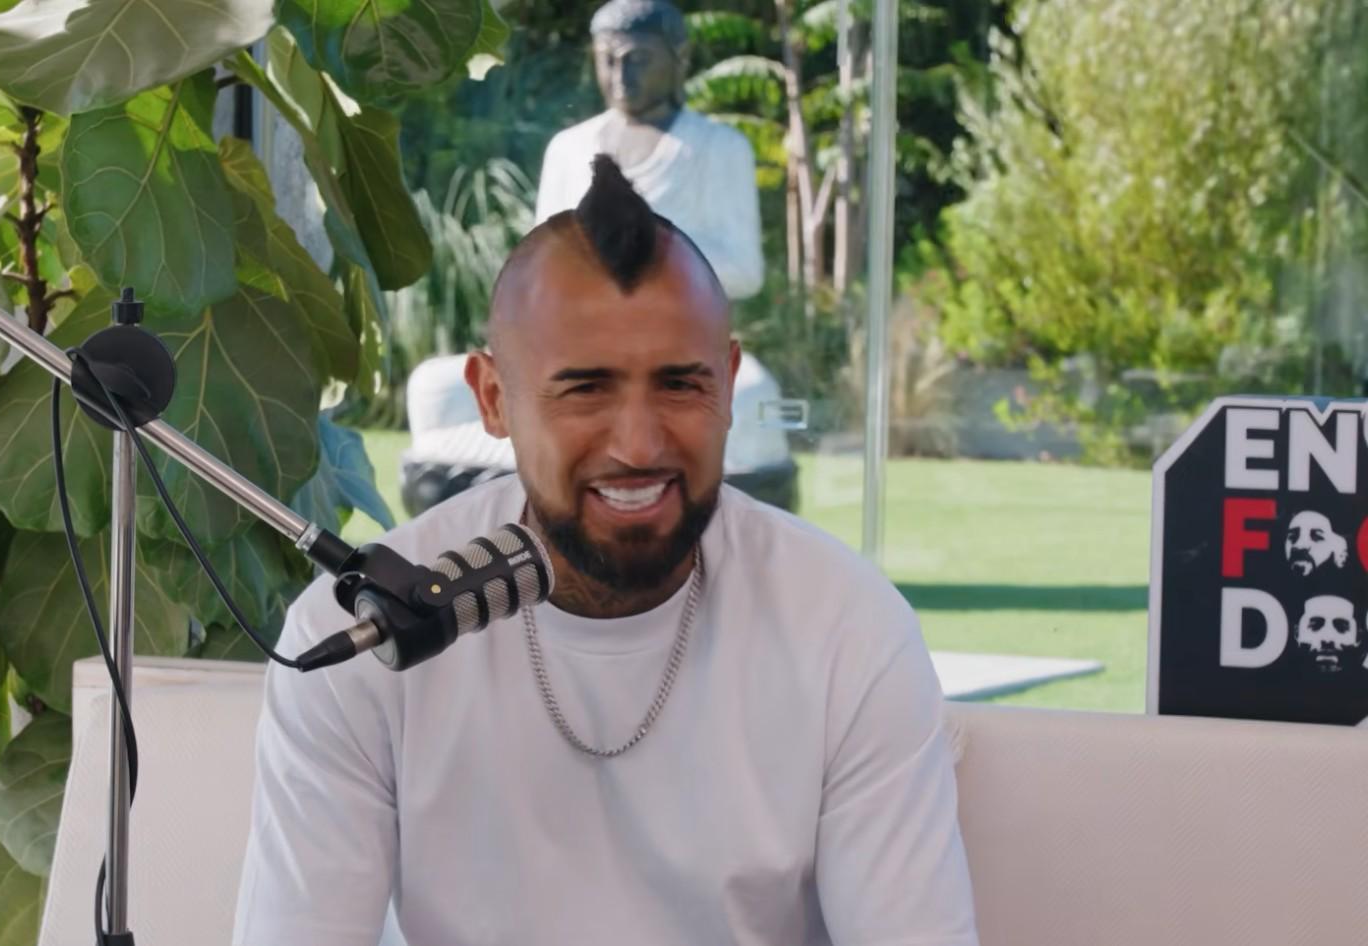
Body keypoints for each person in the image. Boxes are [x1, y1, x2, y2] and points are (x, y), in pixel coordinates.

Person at [232, 156, 979, 945]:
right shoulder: (369, 635)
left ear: (728, 384)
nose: (638, 444)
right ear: (493, 398)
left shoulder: (846, 626)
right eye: (585, 389)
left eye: (680, 385)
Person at [533, 0, 765, 300]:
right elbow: (540, 263)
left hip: (678, 323)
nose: (621, 76)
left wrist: (645, 252)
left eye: (639, 59)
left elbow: (745, 272)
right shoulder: (568, 148)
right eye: (608, 60)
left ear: (680, 57)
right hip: (581, 321)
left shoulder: (719, 147)